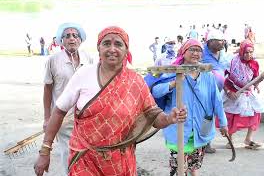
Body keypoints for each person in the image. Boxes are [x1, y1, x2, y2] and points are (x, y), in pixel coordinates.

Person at [34, 26, 187, 176]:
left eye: (118, 44)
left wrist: (169, 118)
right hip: (85, 158)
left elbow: (153, 116)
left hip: (120, 162)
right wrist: (45, 150)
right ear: (99, 48)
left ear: (126, 50)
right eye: (106, 43)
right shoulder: (83, 75)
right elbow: (59, 111)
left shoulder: (135, 82)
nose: (112, 49)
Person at [151, 39, 227, 176]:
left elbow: (217, 100)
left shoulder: (208, 76)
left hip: (200, 130)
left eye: (198, 50)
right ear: (183, 52)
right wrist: (174, 83)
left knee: (194, 165)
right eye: (191, 49)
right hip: (178, 130)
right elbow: (155, 91)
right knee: (178, 169)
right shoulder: (173, 71)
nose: (195, 53)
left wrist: (223, 123)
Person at [42, 22, 93, 175]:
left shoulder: (88, 58)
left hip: (84, 117)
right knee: (68, 154)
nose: (72, 39)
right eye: (67, 36)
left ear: (80, 39)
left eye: (75, 35)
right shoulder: (53, 60)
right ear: (61, 40)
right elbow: (47, 89)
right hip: (62, 118)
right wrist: (47, 118)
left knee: (86, 153)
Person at [222, 41, 264, 150]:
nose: (248, 55)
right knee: (231, 116)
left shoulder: (254, 63)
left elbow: (254, 79)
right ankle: (229, 140)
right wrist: (228, 91)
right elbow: (223, 79)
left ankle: (248, 139)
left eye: (251, 52)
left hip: (247, 90)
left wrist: (257, 83)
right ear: (241, 51)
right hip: (233, 91)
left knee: (255, 112)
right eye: (246, 52)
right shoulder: (232, 61)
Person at [201, 29, 232, 153]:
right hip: (203, 92)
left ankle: (207, 143)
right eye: (220, 40)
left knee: (211, 117)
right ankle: (202, 143)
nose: (223, 42)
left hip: (217, 92)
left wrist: (227, 89)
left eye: (223, 40)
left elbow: (224, 73)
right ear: (211, 41)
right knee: (203, 117)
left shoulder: (223, 54)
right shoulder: (201, 53)